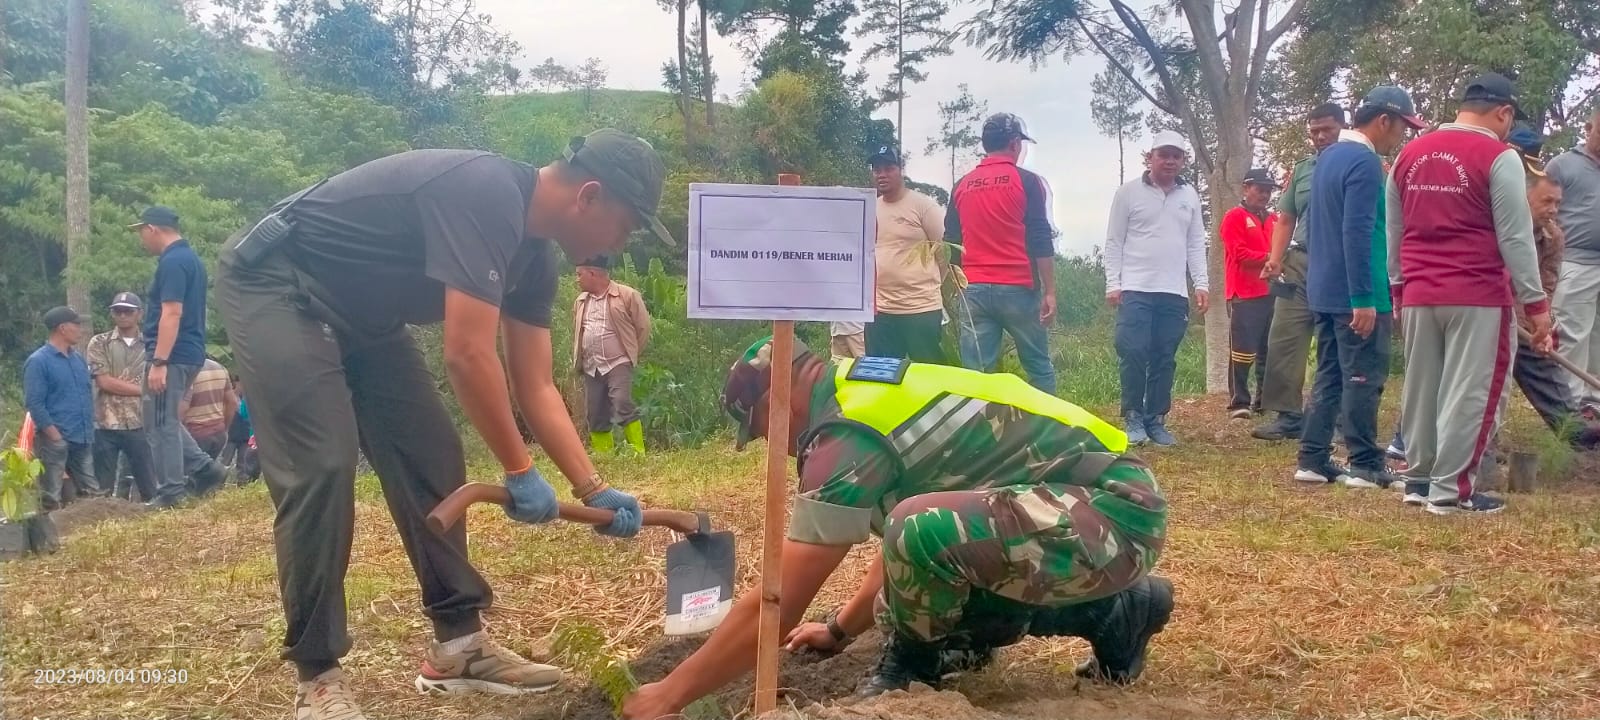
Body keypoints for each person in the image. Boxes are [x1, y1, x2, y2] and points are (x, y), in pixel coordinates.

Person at [217, 130, 668, 720]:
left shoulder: (534, 259)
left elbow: (534, 384)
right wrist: (519, 469)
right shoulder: (486, 192)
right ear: (589, 196)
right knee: (323, 464)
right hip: (278, 286)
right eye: (627, 225)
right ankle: (318, 674)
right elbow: (467, 354)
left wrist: (593, 487)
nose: (622, 243)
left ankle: (459, 646)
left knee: (432, 454)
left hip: (367, 318)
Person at [619, 340, 1171, 719]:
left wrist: (670, 695)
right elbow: (904, 557)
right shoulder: (862, 389)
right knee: (909, 574)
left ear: (776, 397)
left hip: (1113, 512)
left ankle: (915, 666)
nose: (769, 442)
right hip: (1086, 513)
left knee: (916, 536)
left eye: (760, 427)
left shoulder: (847, 433)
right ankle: (1115, 612)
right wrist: (839, 630)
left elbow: (778, 597)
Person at [1387, 74, 1552, 515]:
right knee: (1472, 392)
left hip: (1421, 291)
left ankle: (1419, 481)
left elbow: (1395, 231)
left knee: (1422, 389)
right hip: (1477, 293)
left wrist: (1400, 289)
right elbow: (1515, 238)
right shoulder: (1500, 157)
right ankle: (1451, 491)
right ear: (1504, 114)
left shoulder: (1409, 153)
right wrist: (1536, 305)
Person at [1295, 86, 1424, 489]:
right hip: (1357, 290)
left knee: (1330, 374)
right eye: (1402, 126)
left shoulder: (1328, 157)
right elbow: (1357, 231)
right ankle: (1366, 462)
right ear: (1384, 121)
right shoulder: (1365, 162)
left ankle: (1313, 457)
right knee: (1365, 374)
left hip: (1325, 285)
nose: (1401, 136)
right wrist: (1364, 298)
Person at [1105, 131, 1211, 446]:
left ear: (1182, 161)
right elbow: (1114, 241)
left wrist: (1201, 283)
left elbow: (1195, 243)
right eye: (1163, 154)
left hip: (1173, 291)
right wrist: (1114, 283)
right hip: (1135, 287)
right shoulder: (1127, 193)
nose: (1169, 161)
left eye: (1176, 156)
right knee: (1134, 351)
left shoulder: (1189, 195)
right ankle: (1134, 416)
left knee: (1165, 356)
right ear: (1150, 157)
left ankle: (1156, 419)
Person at [948, 112, 1059, 393]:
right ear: (1013, 144)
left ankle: (979, 433)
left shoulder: (962, 185)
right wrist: (1050, 291)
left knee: (976, 375)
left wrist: (956, 289)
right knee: (1038, 367)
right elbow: (1039, 236)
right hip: (1018, 288)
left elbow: (951, 243)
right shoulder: (1027, 181)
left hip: (973, 289)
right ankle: (1045, 432)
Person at [1255, 104, 1347, 440]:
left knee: (1337, 339)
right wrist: (1275, 259)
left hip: (1340, 263)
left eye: (1327, 129)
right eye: (1314, 131)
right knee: (1285, 336)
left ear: (1343, 126)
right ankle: (1288, 416)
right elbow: (1286, 217)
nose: (1321, 137)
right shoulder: (1303, 169)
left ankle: (1337, 419)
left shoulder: (1358, 163)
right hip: (1301, 259)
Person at [1505, 126, 1600, 449]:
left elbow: (1545, 286)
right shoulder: (1500, 227)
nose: (1554, 210)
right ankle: (1406, 442)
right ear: (1525, 196)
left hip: (1521, 314)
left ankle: (1574, 432)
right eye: (1547, 201)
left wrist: (1538, 324)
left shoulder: (1554, 237)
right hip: (1487, 312)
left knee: (1540, 359)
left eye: (1558, 204)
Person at [133, 206, 227, 508]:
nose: (141, 239)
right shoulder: (191, 260)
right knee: (165, 420)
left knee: (160, 424)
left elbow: (172, 312)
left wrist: (159, 361)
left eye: (140, 232)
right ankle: (206, 469)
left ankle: (171, 492)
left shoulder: (173, 262)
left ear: (153, 229)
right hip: (189, 351)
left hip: (172, 355)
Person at [865, 145, 949, 363]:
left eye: (888, 168)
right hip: (880, 312)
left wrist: (929, 288)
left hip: (920, 309)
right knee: (881, 377)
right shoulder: (869, 208)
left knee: (929, 376)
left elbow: (944, 254)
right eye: (877, 169)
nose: (882, 174)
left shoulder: (923, 206)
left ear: (900, 169)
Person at [1548, 107, 1600, 417]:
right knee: (1572, 333)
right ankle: (1566, 411)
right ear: (1589, 126)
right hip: (1575, 262)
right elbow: (1542, 207)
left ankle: (1593, 401)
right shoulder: (1562, 165)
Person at [571, 255, 651, 454]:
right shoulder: (581, 301)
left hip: (618, 362)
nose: (577, 279)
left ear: (593, 273)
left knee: (622, 402)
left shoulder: (626, 295)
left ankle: (638, 453)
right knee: (595, 413)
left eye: (579, 274)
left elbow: (643, 328)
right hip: (591, 365)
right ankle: (604, 456)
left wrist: (630, 354)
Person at [23, 306, 100, 510]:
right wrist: (54, 436)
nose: (80, 330)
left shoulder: (78, 360)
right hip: (54, 440)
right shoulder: (38, 362)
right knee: (51, 496)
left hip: (82, 438)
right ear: (63, 328)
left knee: (91, 493)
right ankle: (51, 539)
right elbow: (34, 403)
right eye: (76, 325)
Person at [86, 292, 159, 503]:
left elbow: (159, 379)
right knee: (103, 489)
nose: (123, 315)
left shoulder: (151, 344)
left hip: (140, 422)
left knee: (149, 486)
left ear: (139, 314)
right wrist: (144, 390)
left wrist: (130, 386)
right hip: (105, 424)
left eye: (128, 311)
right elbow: (104, 382)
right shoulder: (99, 342)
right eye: (118, 310)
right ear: (112, 313)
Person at [1221, 168, 1281, 419]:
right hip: (1244, 292)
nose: (1264, 194)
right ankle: (1239, 402)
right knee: (1243, 350)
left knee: (1270, 348)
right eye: (1259, 189)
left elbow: (1285, 249)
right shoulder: (1234, 217)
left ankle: (1264, 400)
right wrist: (1272, 259)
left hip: (1272, 291)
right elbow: (1240, 255)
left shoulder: (1275, 219)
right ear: (1246, 188)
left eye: (1268, 190)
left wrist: (1277, 260)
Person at [181, 357, 237, 463]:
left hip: (195, 433)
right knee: (209, 474)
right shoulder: (220, 368)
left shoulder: (188, 371)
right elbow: (232, 402)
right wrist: (224, 428)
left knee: (192, 474)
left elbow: (182, 409)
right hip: (218, 432)